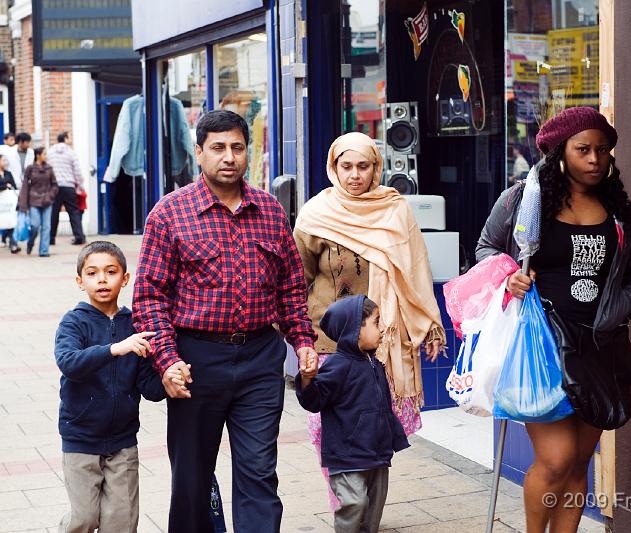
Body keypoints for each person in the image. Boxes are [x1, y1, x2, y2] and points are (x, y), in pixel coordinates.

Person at [133, 109, 318, 533]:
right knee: (192, 479)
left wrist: (303, 341)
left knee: (259, 473)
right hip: (195, 361)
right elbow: (149, 297)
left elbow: (290, 286)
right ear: (199, 153)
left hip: (259, 359)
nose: (229, 157)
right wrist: (166, 360)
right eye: (218, 148)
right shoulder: (169, 214)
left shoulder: (271, 211)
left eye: (237, 147)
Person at [476, 107, 631, 533]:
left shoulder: (620, 212)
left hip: (601, 347)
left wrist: (621, 307)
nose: (595, 159)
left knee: (577, 462)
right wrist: (510, 278)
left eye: (603, 151)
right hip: (543, 345)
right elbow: (485, 250)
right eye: (583, 149)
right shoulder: (522, 200)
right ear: (559, 152)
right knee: (554, 460)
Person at [293, 131, 445, 509]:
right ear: (334, 167)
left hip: (380, 343)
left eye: (363, 166)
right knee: (327, 426)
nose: (355, 175)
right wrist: (300, 338)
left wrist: (428, 326)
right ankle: (345, 506)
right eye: (346, 166)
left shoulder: (395, 211)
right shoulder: (316, 215)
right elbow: (297, 280)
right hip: (328, 342)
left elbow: (415, 273)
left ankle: (367, 507)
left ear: (376, 168)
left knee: (373, 426)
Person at [54, 241, 183, 533]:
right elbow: (69, 363)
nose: (102, 279)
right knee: (84, 518)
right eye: (92, 273)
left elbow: (147, 386)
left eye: (110, 272)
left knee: (121, 522)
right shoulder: (74, 323)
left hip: (123, 441)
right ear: (79, 281)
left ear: (125, 279)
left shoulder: (134, 324)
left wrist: (166, 379)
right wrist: (114, 349)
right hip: (81, 438)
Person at [296, 295, 409, 533]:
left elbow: (383, 408)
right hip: (347, 456)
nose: (381, 329)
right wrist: (307, 378)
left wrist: (392, 437)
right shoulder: (338, 365)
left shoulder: (375, 363)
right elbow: (313, 400)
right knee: (354, 503)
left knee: (372, 512)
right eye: (376, 323)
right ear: (355, 330)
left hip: (375, 453)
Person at [18, 147, 58, 257]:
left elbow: (54, 184)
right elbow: (25, 186)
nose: (46, 156)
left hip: (47, 201)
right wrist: (23, 204)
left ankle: (44, 251)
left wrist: (50, 195)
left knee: (46, 227)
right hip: (33, 201)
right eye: (44, 153)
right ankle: (30, 243)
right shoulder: (30, 169)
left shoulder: (49, 168)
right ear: (38, 155)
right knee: (34, 225)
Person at [49, 131, 86, 246]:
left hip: (54, 186)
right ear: (65, 138)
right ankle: (79, 236)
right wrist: (81, 186)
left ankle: (51, 238)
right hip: (68, 186)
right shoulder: (71, 153)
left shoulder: (50, 152)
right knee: (74, 212)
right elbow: (77, 171)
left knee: (53, 213)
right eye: (69, 137)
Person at [0, 155, 20, 253]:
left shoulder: (8, 173)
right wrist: (5, 186)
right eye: (3, 160)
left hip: (8, 203)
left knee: (10, 221)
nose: (5, 162)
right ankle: (4, 238)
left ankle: (13, 243)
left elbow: (14, 186)